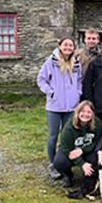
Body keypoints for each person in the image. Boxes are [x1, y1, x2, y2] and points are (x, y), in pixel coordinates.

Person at [37, 37, 82, 180]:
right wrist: (51, 92)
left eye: (71, 45)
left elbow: (79, 80)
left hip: (71, 107)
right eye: (65, 45)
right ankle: (52, 164)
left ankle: (63, 163)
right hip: (55, 106)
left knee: (66, 137)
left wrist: (78, 93)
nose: (68, 47)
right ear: (60, 46)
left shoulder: (76, 63)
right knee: (53, 136)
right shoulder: (51, 62)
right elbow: (41, 79)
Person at [53, 101, 102, 195]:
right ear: (77, 112)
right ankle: (68, 175)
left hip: (87, 150)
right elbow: (66, 148)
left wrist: (82, 150)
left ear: (93, 114)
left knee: (96, 158)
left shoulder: (97, 123)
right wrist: (82, 164)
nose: (85, 114)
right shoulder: (69, 127)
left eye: (89, 112)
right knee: (59, 162)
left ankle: (89, 180)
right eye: (82, 111)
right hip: (71, 151)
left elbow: (96, 142)